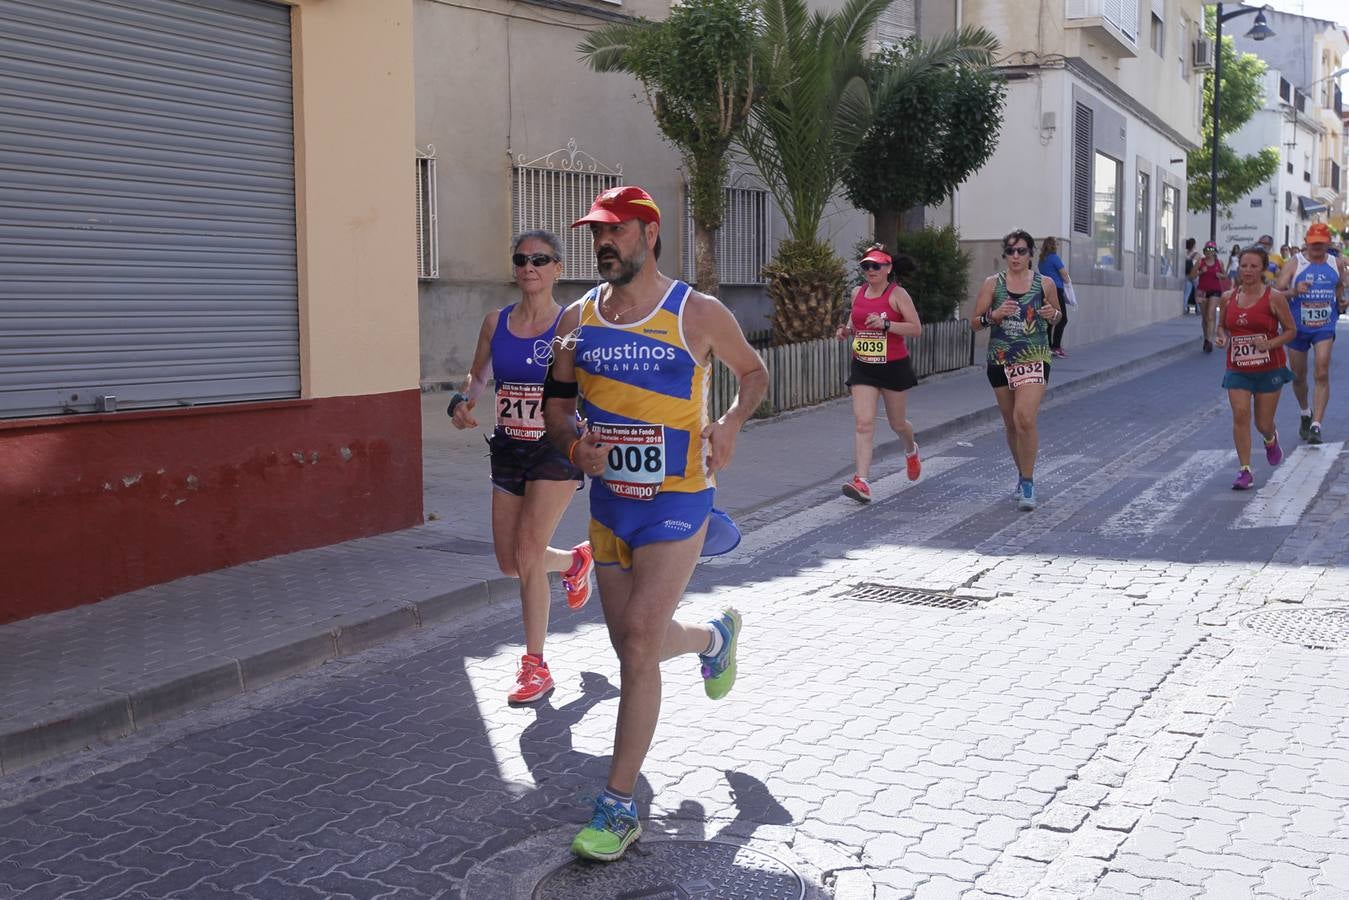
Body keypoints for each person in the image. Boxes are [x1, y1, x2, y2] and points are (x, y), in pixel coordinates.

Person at [542, 186, 769, 862]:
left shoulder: (695, 312)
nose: (601, 243)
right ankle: (711, 639)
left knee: (639, 639)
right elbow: (555, 412)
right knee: (633, 648)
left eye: (614, 231)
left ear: (648, 232)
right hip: (610, 507)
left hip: (678, 499)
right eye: (595, 233)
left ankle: (617, 808)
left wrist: (728, 421)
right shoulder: (575, 322)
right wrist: (572, 448)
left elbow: (752, 373)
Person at [448, 230, 595, 704]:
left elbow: (590, 384)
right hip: (508, 448)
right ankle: (575, 560)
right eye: (521, 259)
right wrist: (462, 401)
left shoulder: (569, 325)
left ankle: (535, 666)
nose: (529, 267)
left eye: (540, 259)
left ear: (558, 268)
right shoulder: (496, 322)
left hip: (555, 448)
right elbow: (477, 376)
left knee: (529, 553)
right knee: (512, 563)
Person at [970, 229, 1063, 511]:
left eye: (1021, 251)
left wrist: (1052, 315)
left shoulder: (1044, 283)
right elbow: (974, 322)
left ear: (1031, 254)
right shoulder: (992, 284)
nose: (1015, 256)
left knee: (1024, 417)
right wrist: (994, 315)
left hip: (1034, 356)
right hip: (1000, 358)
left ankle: (1028, 481)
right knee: (1011, 423)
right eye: (1010, 251)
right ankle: (1021, 473)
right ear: (1005, 255)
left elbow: (1058, 316)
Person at [835, 245, 922, 502]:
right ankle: (861, 481)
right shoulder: (857, 293)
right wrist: (846, 331)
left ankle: (911, 450)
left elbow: (916, 328)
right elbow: (855, 322)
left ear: (888, 268)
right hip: (863, 365)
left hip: (893, 366)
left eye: (876, 266)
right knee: (863, 422)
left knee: (897, 423)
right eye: (866, 266)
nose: (871, 271)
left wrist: (887, 324)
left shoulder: (898, 294)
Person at [1213, 245, 1295, 489]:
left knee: (1263, 423)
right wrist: (1221, 337)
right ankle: (1245, 470)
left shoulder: (1275, 298)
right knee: (1240, 414)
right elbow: (1222, 327)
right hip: (1238, 367)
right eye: (1244, 265)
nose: (1248, 270)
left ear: (1263, 269)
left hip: (1269, 368)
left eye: (1253, 266)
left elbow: (1291, 331)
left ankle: (1270, 439)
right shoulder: (1229, 297)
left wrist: (1269, 343)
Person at [1277, 223, 1346, 444]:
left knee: (1322, 371)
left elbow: (1340, 288)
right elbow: (1276, 294)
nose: (1316, 247)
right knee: (1298, 376)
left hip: (1324, 326)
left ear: (1328, 243)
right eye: (1313, 242)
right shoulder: (1295, 264)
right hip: (1296, 327)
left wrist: (1342, 301)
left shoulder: (1337, 263)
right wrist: (1295, 291)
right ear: (1307, 242)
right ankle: (1305, 412)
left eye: (1321, 243)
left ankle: (1316, 425)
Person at [1194, 241, 1226, 353]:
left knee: (1210, 316)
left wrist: (1220, 275)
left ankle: (1209, 341)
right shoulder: (1200, 262)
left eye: (1212, 250)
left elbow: (1225, 275)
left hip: (1215, 291)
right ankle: (1206, 338)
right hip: (1202, 291)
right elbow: (1191, 276)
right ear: (1204, 251)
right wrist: (1200, 272)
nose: (1209, 252)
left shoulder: (1219, 262)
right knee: (1205, 318)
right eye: (1207, 250)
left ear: (1214, 252)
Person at [1183, 237, 1199, 314]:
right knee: (1197, 292)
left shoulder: (1185, 254)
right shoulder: (1197, 254)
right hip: (1195, 275)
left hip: (1187, 275)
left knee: (1187, 293)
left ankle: (1184, 307)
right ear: (1194, 245)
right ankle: (1198, 308)